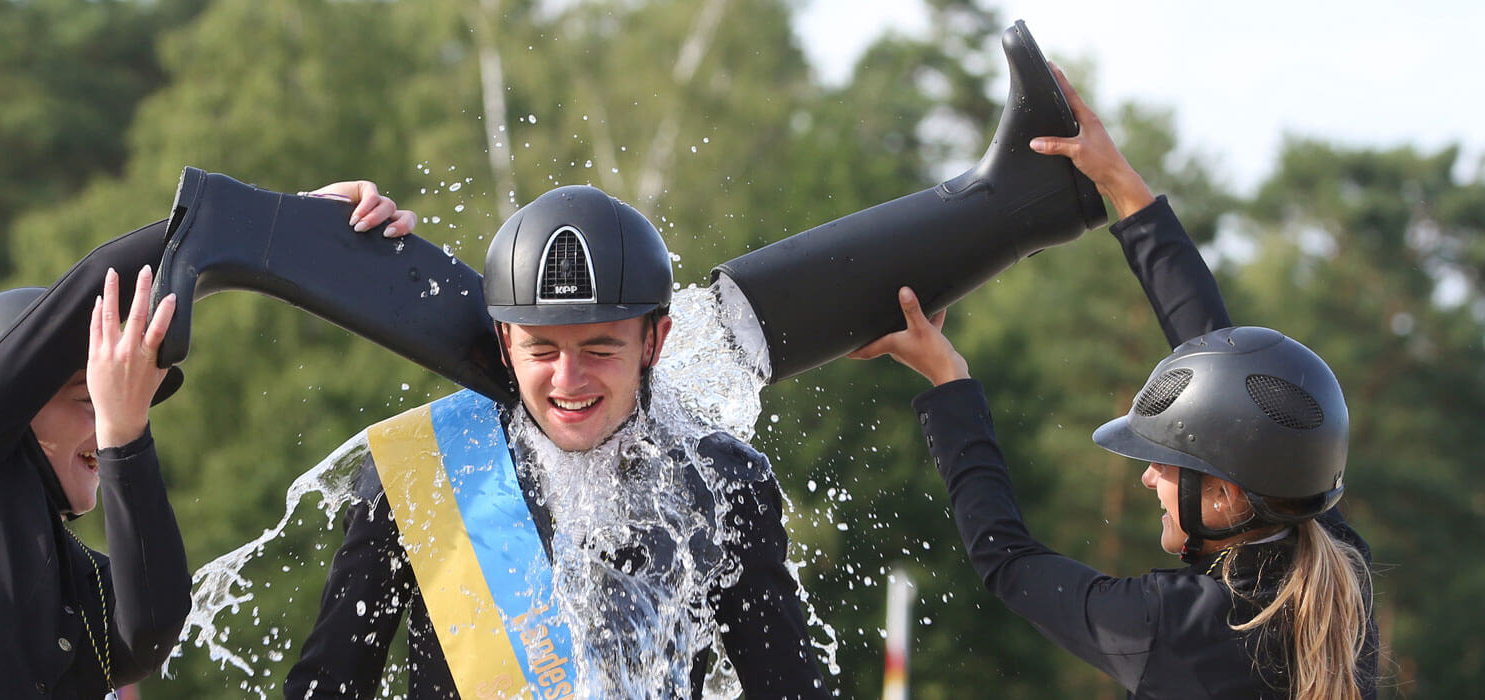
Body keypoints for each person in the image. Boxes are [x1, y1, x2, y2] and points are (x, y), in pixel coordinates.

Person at [848, 65, 1379, 698]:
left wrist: (948, 380)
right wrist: (1122, 188)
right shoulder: (1341, 580)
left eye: (1167, 462)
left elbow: (1008, 560)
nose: (1148, 477)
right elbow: (1230, 381)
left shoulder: (1172, 626)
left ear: (1225, 495)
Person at [0, 182, 415, 699]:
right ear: (9, 411)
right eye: (89, 401)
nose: (105, 425)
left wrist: (126, 437)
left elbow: (149, 631)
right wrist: (275, 224)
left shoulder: (68, 580)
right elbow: (91, 285)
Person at [285, 186, 830, 698]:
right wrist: (308, 228)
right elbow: (326, 687)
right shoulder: (421, 467)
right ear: (504, 341)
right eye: (542, 350)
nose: (568, 380)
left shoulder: (721, 482)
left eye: (599, 350)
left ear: (653, 342)